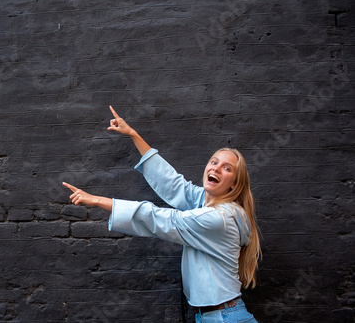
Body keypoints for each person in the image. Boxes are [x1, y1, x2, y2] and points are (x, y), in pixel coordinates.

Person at [62, 106, 261, 323]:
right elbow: (173, 184)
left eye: (227, 168)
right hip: (213, 316)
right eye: (214, 162)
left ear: (234, 185)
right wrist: (133, 135)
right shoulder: (204, 202)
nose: (216, 168)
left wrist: (98, 200)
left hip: (225, 318)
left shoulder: (219, 218)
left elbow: (162, 219)